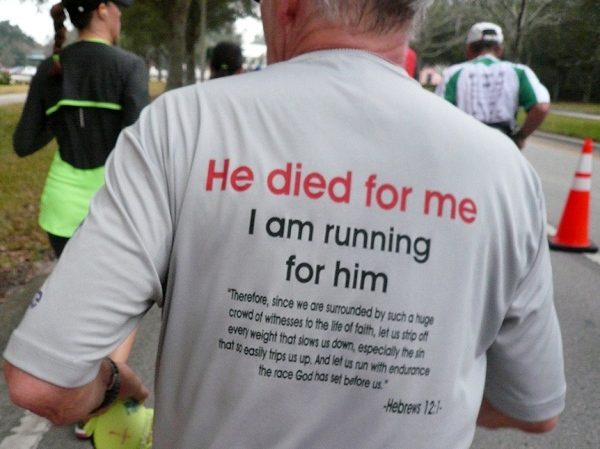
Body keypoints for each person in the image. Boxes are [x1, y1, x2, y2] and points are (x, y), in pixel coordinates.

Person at [4, 1, 566, 448]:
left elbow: (42, 382)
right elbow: (534, 408)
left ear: (286, 6)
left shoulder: (185, 124)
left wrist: (109, 386)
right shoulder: (503, 172)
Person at [10, 0, 149, 440]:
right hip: (111, 212)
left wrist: (65, 116)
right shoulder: (129, 66)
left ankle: (73, 388)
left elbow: (23, 142)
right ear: (104, 10)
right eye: (119, 8)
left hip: (60, 208)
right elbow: (140, 146)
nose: (121, 16)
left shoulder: (53, 66)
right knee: (122, 312)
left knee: (77, 304)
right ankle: (98, 406)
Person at [434, 22, 550, 149]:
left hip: (464, 142)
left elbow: (438, 111)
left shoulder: (453, 73)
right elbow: (541, 107)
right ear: (500, 50)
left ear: (469, 49)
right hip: (502, 143)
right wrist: (521, 136)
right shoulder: (519, 72)